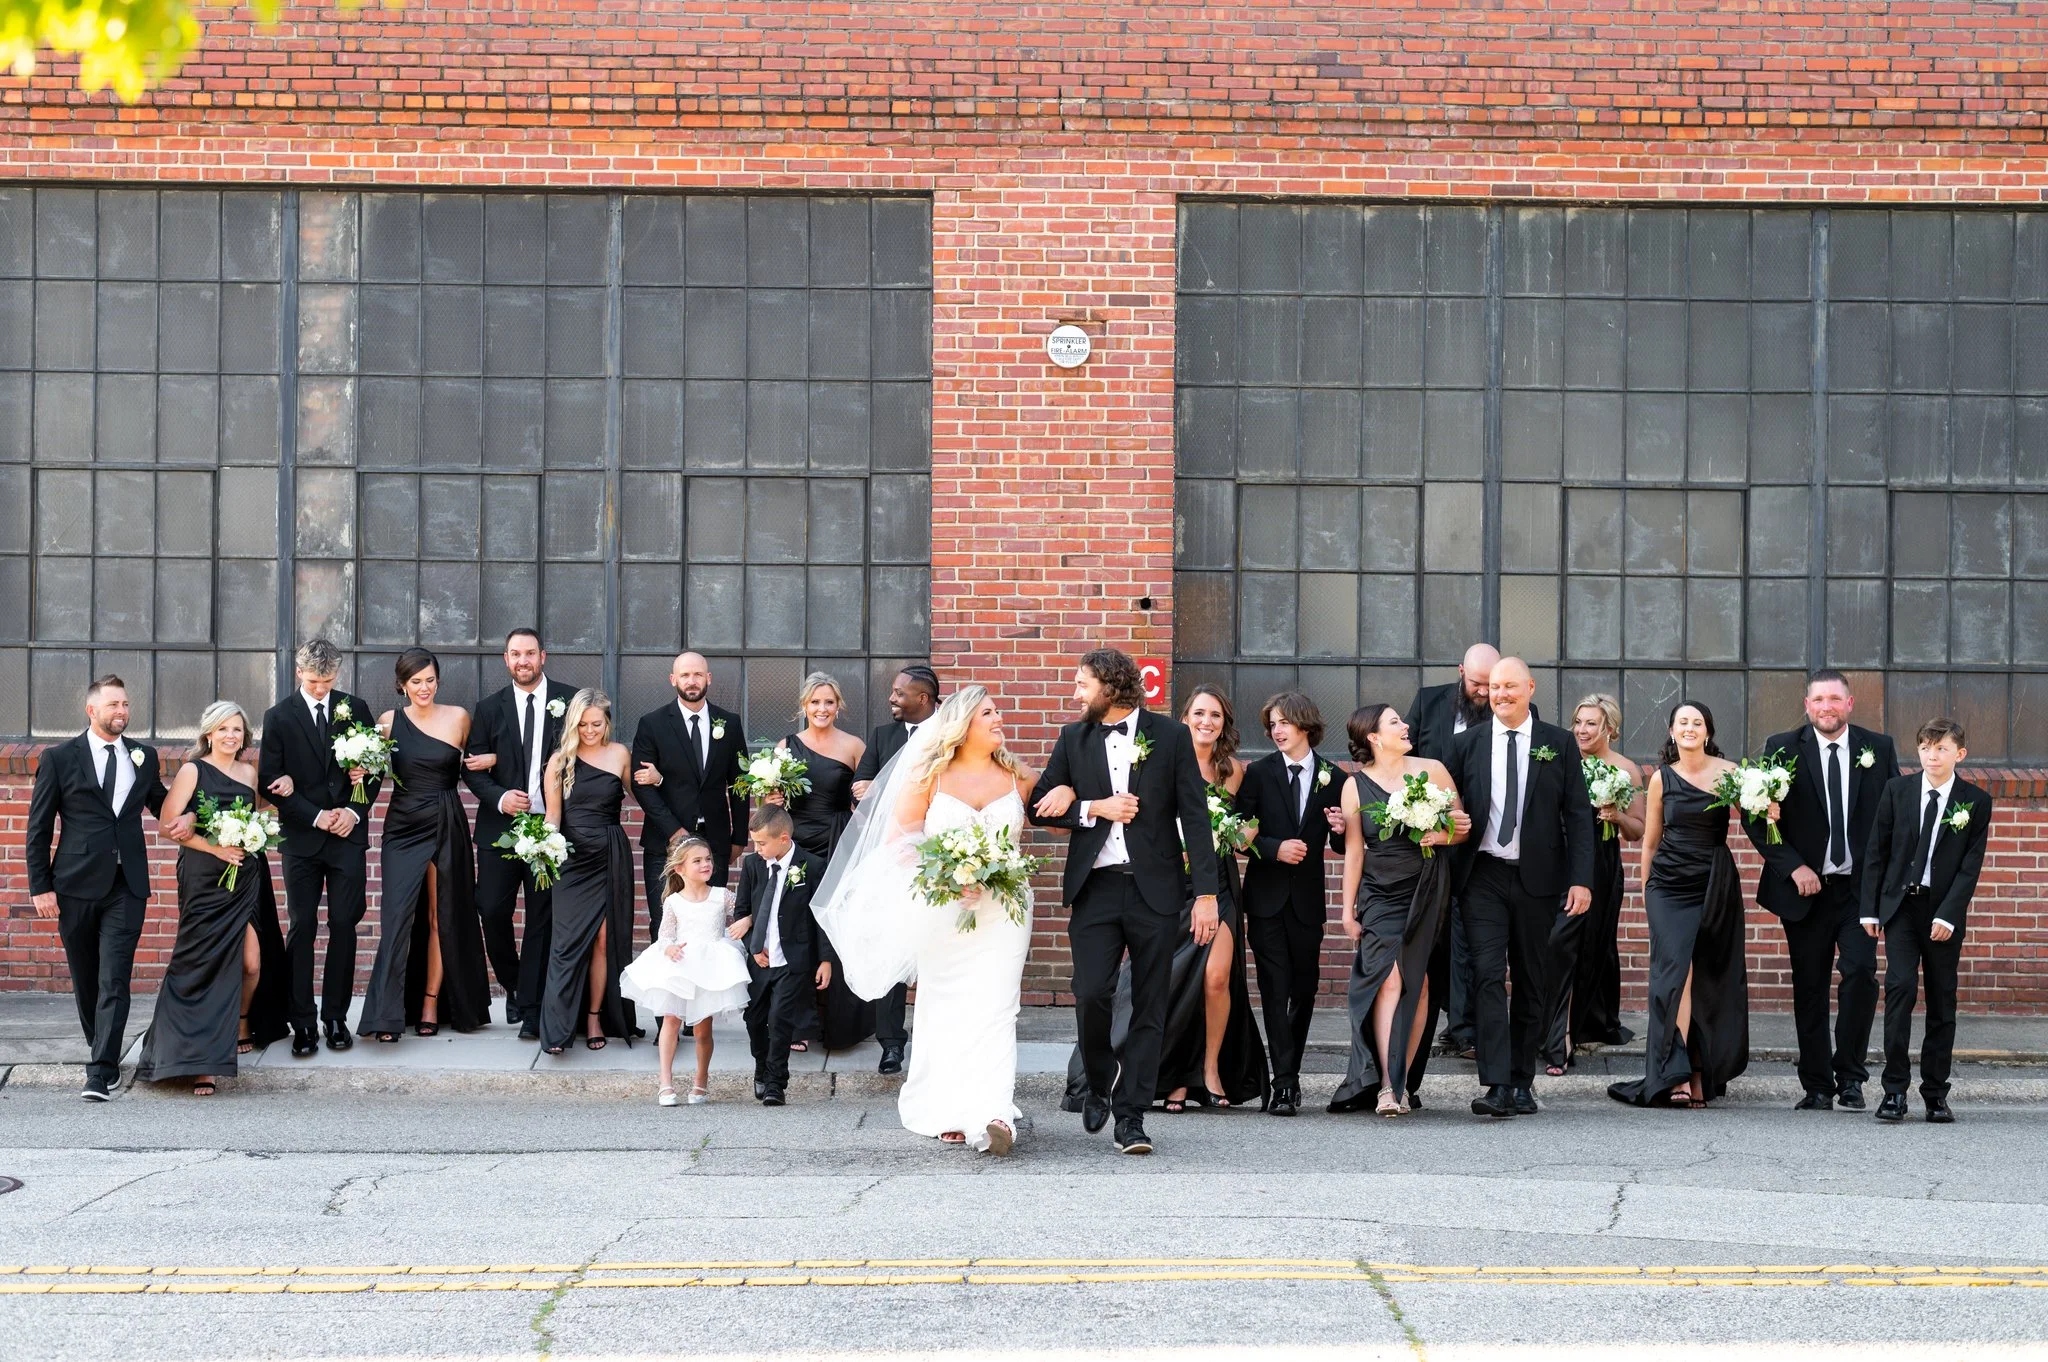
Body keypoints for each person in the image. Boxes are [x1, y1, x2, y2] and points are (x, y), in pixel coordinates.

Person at [825, 686, 1043, 1152]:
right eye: (989, 712)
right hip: (948, 907)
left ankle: (994, 1111)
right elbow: (900, 842)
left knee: (999, 1006)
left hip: (1006, 908)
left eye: (998, 710)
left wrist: (1071, 793)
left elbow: (1057, 806)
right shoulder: (931, 775)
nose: (999, 717)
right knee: (946, 1005)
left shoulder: (1017, 774)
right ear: (964, 725)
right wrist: (951, 876)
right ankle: (946, 1106)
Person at [1029, 648, 1219, 1156]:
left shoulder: (1172, 737)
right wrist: (1089, 805)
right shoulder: (1073, 737)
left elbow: (1196, 820)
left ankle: (1131, 1117)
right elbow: (1038, 807)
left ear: (1110, 688)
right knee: (1091, 992)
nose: (1076, 694)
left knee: (1149, 1007)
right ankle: (1097, 1081)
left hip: (1156, 891)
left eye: (1082, 684)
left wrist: (1206, 895)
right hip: (1096, 888)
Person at [1446, 656, 1596, 1119]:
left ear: (1530, 688)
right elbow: (1450, 807)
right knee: (1488, 975)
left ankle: (1521, 1081)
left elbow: (1577, 816)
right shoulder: (1467, 744)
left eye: (1510, 685)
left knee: (1532, 978)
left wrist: (1581, 879)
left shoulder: (1559, 743)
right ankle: (1495, 1083)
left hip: (1538, 878)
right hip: (1483, 876)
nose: (1501, 694)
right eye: (1494, 687)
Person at [26, 674, 187, 1101]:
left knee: (114, 977)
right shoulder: (60, 758)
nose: (122, 711)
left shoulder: (143, 756)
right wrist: (40, 887)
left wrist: (197, 816)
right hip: (74, 884)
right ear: (91, 710)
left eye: (126, 705)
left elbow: (161, 805)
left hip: (127, 884)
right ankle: (102, 1047)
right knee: (86, 977)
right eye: (114, 705)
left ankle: (100, 1069)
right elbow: (38, 828)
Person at [1748, 670, 1898, 1112]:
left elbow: (1894, 816)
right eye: (1818, 700)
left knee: (1859, 975)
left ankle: (1850, 1076)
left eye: (1835, 699)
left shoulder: (1878, 748)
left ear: (1849, 704)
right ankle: (1816, 1084)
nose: (1826, 707)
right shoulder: (1782, 747)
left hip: (1858, 891)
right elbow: (1757, 818)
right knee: (1809, 986)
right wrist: (1793, 866)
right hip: (1806, 891)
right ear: (1807, 704)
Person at [134, 702, 290, 1095]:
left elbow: (253, 812)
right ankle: (202, 1063)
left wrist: (279, 796)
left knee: (252, 964)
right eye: (223, 729)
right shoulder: (192, 770)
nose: (230, 736)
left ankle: (241, 1019)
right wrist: (212, 844)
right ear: (208, 734)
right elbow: (170, 827)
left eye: (237, 730)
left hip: (246, 875)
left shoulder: (248, 772)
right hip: (206, 876)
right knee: (204, 965)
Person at [1328, 703, 1469, 1116]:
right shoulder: (1355, 786)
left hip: (1426, 887)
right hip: (1379, 892)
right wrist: (1346, 910)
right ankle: (1385, 1085)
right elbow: (1355, 851)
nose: (1405, 725)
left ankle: (1400, 1083)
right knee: (1387, 979)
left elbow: (1460, 828)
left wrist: (1439, 835)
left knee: (1418, 982)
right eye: (1395, 722)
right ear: (1373, 736)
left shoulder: (1434, 769)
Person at [1607, 702, 1750, 1108]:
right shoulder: (1661, 779)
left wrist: (1771, 809)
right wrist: (1646, 887)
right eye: (1682, 722)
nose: (1690, 728)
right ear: (1672, 731)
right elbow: (1650, 841)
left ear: (1708, 731)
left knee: (1707, 975)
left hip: (1713, 880)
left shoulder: (1731, 774)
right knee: (1675, 976)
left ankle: (1701, 1073)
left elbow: (1757, 822)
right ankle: (1675, 1073)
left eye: (1697, 722)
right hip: (1668, 887)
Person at [1861, 718, 1993, 1125]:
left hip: (1942, 915)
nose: (1932, 755)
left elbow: (1970, 867)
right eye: (1924, 747)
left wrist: (1949, 915)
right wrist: (1870, 908)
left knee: (1942, 999)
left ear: (1960, 754)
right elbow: (1877, 852)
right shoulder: (1897, 790)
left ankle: (1935, 1093)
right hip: (1901, 908)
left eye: (1941, 749)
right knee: (1899, 988)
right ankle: (1894, 1091)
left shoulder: (1975, 801)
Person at [357, 648, 492, 1042]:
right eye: (416, 681)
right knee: (397, 917)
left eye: (430, 680)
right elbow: (371, 774)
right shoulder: (387, 723)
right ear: (402, 684)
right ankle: (388, 1012)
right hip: (402, 824)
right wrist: (359, 770)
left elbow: (482, 766)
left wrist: (494, 758)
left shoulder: (459, 718)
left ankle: (432, 1002)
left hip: (447, 820)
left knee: (442, 916)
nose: (424, 688)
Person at [1406, 643, 1524, 1076]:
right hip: (1431, 836)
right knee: (1438, 933)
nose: (1484, 692)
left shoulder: (1509, 706)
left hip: (1483, 837)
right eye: (1476, 683)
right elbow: (1405, 754)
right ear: (1461, 673)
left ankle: (1466, 1026)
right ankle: (1447, 1021)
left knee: (1470, 934)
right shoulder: (1428, 701)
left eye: (1490, 683)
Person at [258, 639, 378, 1057]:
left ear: (337, 674)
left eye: (327, 681)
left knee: (345, 924)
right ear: (298, 674)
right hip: (302, 839)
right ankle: (304, 1023)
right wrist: (313, 814)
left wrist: (354, 811)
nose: (321, 689)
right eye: (313, 681)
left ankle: (335, 1017)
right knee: (303, 927)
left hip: (347, 837)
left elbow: (376, 771)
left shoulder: (357, 709)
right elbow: (269, 781)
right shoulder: (278, 718)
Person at [1234, 691, 1346, 1117]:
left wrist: (1338, 829)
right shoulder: (1258, 774)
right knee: (1273, 988)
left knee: (1304, 990)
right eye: (1272, 724)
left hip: (1306, 903)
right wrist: (1273, 848)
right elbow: (1238, 833)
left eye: (1283, 723)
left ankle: (1290, 1070)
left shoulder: (1334, 777)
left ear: (1305, 725)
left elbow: (1341, 842)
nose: (1276, 731)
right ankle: (1284, 1084)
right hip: (1264, 900)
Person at [463, 628, 579, 1040]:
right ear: (505, 658)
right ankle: (514, 984)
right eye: (515, 654)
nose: (523, 661)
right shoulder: (489, 707)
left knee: (541, 919)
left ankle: (532, 1008)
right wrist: (498, 798)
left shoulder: (569, 701)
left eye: (530, 653)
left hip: (550, 829)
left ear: (543, 656)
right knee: (491, 910)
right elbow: (471, 767)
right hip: (501, 829)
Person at [1540, 694, 1644, 1075]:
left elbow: (1638, 830)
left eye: (1591, 724)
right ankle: (1555, 1037)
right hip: (1559, 861)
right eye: (1578, 722)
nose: (1581, 730)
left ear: (1610, 729)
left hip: (1601, 863)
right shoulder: (1559, 759)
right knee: (1557, 943)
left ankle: (1576, 1026)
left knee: (1592, 944)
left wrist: (1615, 815)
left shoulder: (1627, 770)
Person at [771, 672, 870, 1053]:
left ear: (838, 705)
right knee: (797, 927)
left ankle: (838, 1024)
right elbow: (770, 800)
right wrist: (771, 801)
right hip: (794, 841)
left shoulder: (854, 746)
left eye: (829, 702)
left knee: (833, 927)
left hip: (836, 842)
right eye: (815, 702)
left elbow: (869, 801)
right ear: (804, 706)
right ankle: (798, 1022)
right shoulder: (787, 745)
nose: (822, 709)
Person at [850, 664, 941, 1075]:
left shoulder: (948, 735)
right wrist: (866, 792)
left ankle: (935, 1042)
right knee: (892, 946)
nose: (891, 698)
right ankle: (891, 1044)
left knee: (934, 951)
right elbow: (862, 785)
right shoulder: (883, 736)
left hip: (939, 856)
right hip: (891, 857)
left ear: (923, 698)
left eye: (899, 693)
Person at [538, 689, 640, 1055]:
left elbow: (643, 798)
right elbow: (553, 816)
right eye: (582, 725)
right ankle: (557, 1030)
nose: (590, 730)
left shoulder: (620, 755)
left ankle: (596, 1016)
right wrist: (541, 845)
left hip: (611, 856)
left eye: (596, 723)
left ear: (607, 722)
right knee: (565, 944)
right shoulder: (558, 761)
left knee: (603, 941)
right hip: (572, 861)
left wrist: (656, 780)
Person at [619, 837, 751, 1105]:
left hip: (710, 964)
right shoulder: (673, 902)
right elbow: (665, 935)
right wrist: (668, 949)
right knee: (671, 1020)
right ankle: (665, 1082)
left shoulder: (720, 895)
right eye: (698, 860)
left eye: (708, 859)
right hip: (680, 965)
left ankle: (701, 1081)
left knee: (703, 1029)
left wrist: (746, 920)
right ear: (679, 868)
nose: (706, 864)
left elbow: (746, 909)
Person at [632, 652, 748, 938]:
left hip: (715, 842)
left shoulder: (729, 723)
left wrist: (739, 837)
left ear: (708, 678)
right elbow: (642, 786)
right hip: (665, 844)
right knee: (665, 923)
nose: (691, 681)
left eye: (698, 674)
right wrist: (675, 832)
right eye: (685, 675)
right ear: (673, 680)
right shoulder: (652, 724)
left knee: (710, 924)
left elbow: (740, 784)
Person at [730, 806, 829, 1106]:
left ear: (784, 839)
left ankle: (776, 1083)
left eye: (762, 843)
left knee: (780, 1019)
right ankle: (761, 1067)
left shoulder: (811, 866)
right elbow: (741, 912)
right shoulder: (753, 866)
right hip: (760, 957)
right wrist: (752, 944)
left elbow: (820, 917)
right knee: (754, 1019)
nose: (757, 849)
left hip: (792, 958)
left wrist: (825, 960)